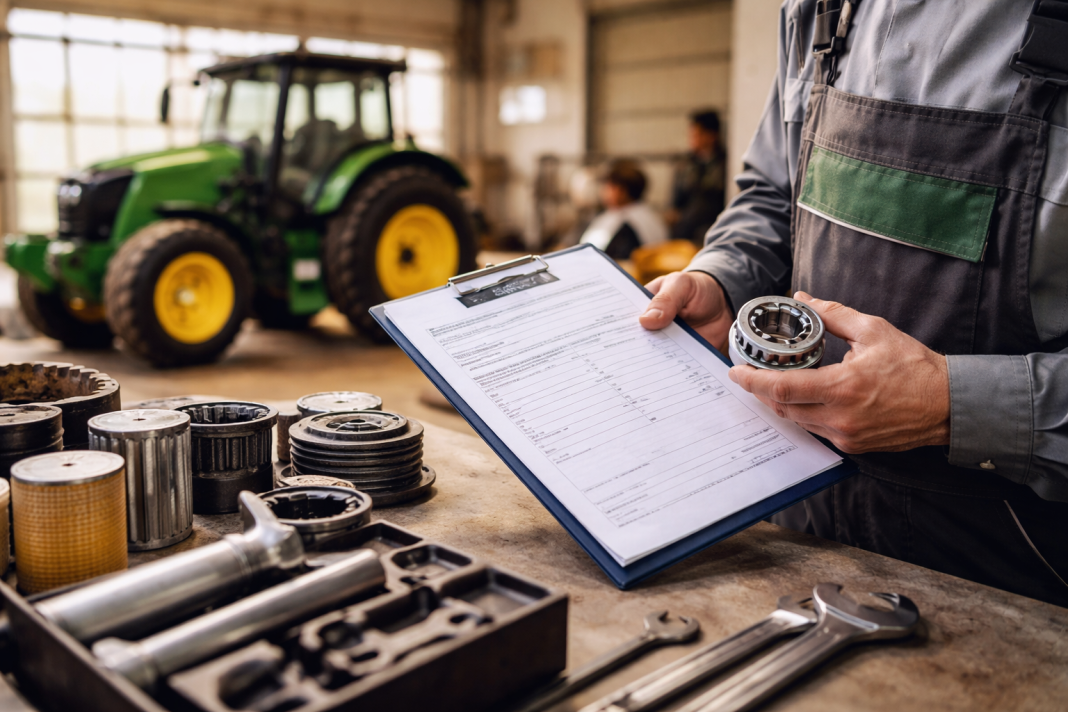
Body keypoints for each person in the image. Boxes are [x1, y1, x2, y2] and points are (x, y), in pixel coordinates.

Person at [639, 0, 1068, 607]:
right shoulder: (820, 10)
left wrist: (953, 403)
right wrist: (724, 278)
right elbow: (772, 194)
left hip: (1013, 569)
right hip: (797, 524)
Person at [580, 159, 668, 260]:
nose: (603, 191)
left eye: (608, 186)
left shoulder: (628, 225)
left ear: (621, 191)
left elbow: (617, 258)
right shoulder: (645, 214)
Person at [669, 109, 726, 245]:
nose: (692, 139)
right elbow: (675, 202)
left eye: (698, 134)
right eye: (692, 134)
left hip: (713, 230)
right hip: (684, 231)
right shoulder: (685, 165)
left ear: (712, 135)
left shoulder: (724, 164)